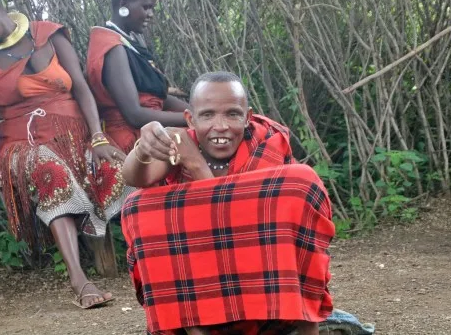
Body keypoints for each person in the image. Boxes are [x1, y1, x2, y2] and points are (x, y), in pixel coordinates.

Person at [0, 0, 129, 309]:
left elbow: (81, 88)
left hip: (77, 135)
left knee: (120, 167)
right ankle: (79, 280)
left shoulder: (50, 34)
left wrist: (98, 137)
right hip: (21, 143)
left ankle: (152, 256)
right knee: (49, 169)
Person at [121, 72, 334, 334]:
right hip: (202, 291)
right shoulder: (181, 142)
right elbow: (134, 177)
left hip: (267, 290)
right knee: (137, 207)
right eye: (207, 115)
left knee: (301, 180)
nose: (220, 126)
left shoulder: (266, 143)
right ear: (190, 118)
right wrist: (142, 149)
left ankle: (307, 325)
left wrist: (195, 164)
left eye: (232, 114)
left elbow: (238, 226)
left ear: (247, 117)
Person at [86, 0, 188, 153]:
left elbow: (159, 98)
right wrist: (191, 118)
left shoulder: (127, 42)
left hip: (153, 128)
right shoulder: (112, 48)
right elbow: (134, 114)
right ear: (123, 5)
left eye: (152, 8)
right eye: (146, 7)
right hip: (136, 140)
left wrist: (200, 113)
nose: (150, 14)